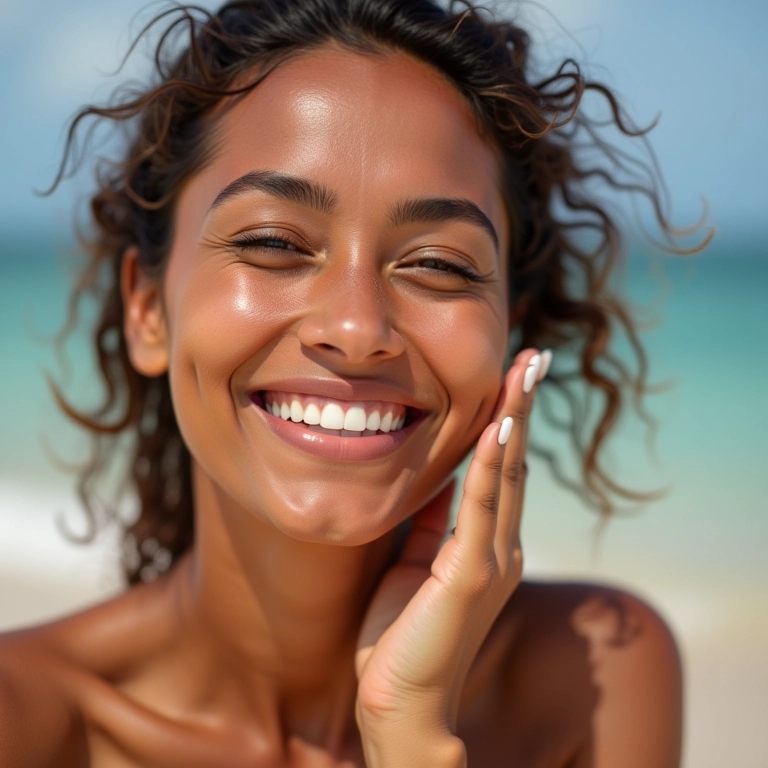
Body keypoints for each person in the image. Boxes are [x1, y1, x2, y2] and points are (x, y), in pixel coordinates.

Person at [0, 1, 697, 765]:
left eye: (439, 263)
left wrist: (410, 737)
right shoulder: (25, 721)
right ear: (147, 311)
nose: (358, 328)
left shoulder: (593, 679)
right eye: (272, 243)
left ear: (511, 334)